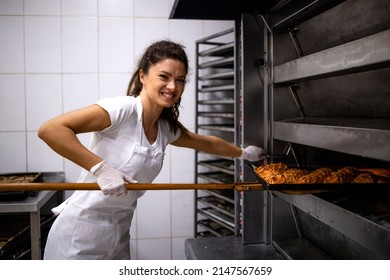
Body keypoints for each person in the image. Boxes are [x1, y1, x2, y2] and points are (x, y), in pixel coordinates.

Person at [38, 40, 264, 260]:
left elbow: (207, 143)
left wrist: (243, 153)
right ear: (143, 76)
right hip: (79, 234)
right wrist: (101, 169)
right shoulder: (123, 110)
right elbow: (51, 129)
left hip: (119, 232)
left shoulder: (165, 128)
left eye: (180, 80)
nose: (172, 87)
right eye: (164, 77)